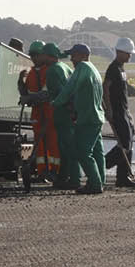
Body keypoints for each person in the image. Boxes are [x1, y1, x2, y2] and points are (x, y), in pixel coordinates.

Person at [51, 44, 106, 195]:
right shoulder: (94, 69)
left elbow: (70, 87)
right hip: (97, 116)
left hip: (87, 117)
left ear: (82, 55)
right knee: (96, 152)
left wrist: (56, 102)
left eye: (73, 56)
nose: (71, 59)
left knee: (82, 152)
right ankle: (101, 179)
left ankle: (95, 184)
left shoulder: (82, 68)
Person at [102, 37, 135, 188]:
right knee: (124, 143)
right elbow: (106, 88)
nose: (130, 56)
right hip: (116, 111)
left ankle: (123, 175)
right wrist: (109, 110)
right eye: (128, 53)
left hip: (124, 110)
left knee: (128, 141)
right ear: (119, 52)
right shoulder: (113, 68)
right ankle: (105, 163)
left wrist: (128, 113)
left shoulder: (122, 69)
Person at [19, 40, 58, 180]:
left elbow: (47, 94)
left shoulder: (51, 71)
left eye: (37, 55)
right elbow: (27, 94)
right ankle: (42, 171)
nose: (34, 58)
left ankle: (56, 171)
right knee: (39, 144)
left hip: (50, 112)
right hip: (37, 113)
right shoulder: (29, 73)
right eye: (32, 55)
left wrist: (29, 98)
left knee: (53, 143)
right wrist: (21, 86)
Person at [43, 43, 79, 190]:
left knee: (65, 148)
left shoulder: (52, 71)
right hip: (71, 113)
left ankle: (68, 178)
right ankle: (65, 176)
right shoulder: (65, 67)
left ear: (49, 56)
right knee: (68, 147)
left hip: (62, 114)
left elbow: (58, 93)